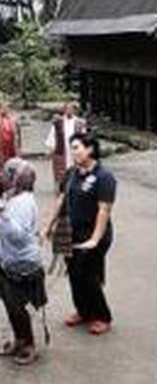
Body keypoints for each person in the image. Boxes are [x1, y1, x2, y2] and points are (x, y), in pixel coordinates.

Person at [44, 133, 117, 335]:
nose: (73, 152)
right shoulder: (71, 173)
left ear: (90, 149)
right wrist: (48, 225)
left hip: (94, 234)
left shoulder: (104, 177)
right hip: (70, 232)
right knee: (74, 274)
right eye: (72, 148)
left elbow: (104, 210)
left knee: (89, 275)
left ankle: (102, 316)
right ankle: (83, 311)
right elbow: (60, 200)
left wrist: (94, 239)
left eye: (76, 147)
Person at [0, 158, 47, 365]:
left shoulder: (23, 202)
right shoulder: (13, 195)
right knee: (11, 306)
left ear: (17, 179)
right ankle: (20, 339)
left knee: (19, 308)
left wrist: (0, 209)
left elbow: (17, 235)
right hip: (9, 261)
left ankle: (29, 344)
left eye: (7, 173)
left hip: (22, 264)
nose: (1, 176)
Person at [45, 102, 88, 186]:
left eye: (71, 109)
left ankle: (76, 184)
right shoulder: (58, 122)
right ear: (64, 110)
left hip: (75, 150)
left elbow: (84, 137)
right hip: (62, 149)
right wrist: (51, 149)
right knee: (61, 169)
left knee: (77, 167)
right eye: (67, 109)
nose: (69, 111)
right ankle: (62, 186)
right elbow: (53, 135)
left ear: (75, 110)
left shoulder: (80, 122)